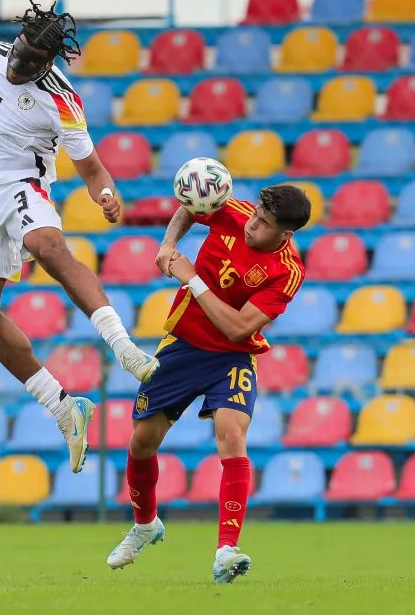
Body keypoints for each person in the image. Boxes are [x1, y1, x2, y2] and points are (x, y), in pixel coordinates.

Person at [0, 0, 160, 475]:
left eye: (32, 63)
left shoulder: (62, 99)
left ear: (50, 62)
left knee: (48, 247)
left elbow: (91, 168)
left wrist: (106, 194)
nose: (19, 66)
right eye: (19, 53)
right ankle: (64, 406)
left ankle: (124, 347)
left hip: (20, 186)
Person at [106, 185, 311, 583]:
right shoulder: (232, 210)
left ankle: (226, 550)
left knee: (231, 433)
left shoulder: (287, 272)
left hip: (231, 356)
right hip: (182, 345)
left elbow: (237, 329)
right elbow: (189, 208)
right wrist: (168, 244)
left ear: (285, 235)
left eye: (264, 224)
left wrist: (192, 278)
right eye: (254, 215)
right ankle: (146, 525)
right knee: (141, 443)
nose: (252, 225)